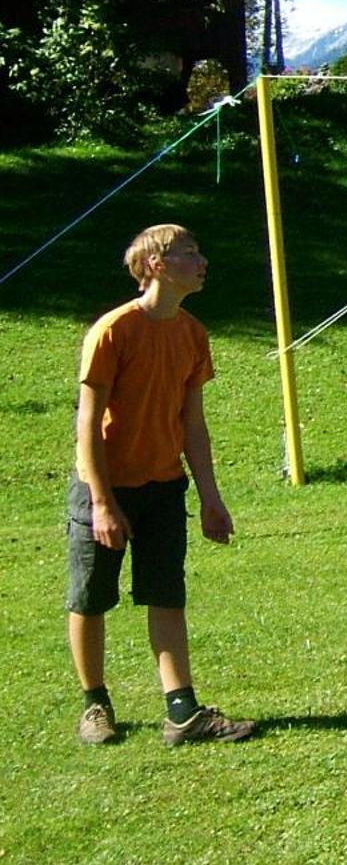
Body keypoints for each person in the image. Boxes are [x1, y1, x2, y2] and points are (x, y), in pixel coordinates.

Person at [67, 225, 256, 745]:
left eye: (199, 250)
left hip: (164, 486)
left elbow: (193, 425)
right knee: (90, 598)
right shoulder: (113, 330)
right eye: (189, 253)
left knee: (166, 595)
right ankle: (95, 706)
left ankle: (182, 712)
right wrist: (103, 503)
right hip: (103, 487)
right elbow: (88, 423)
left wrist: (211, 499)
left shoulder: (192, 334)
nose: (202, 261)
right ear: (155, 265)